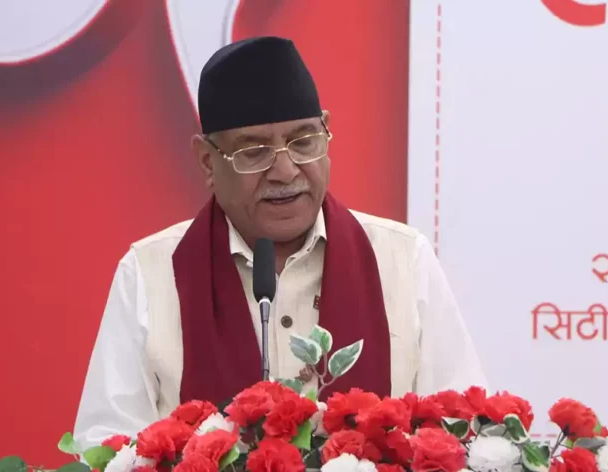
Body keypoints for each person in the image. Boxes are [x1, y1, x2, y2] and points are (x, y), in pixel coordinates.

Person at [73, 36, 486, 446]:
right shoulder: (150, 274)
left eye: (303, 143)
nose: (286, 171)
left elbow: (458, 435)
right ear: (208, 161)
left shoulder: (402, 260)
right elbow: (105, 448)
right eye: (254, 152)